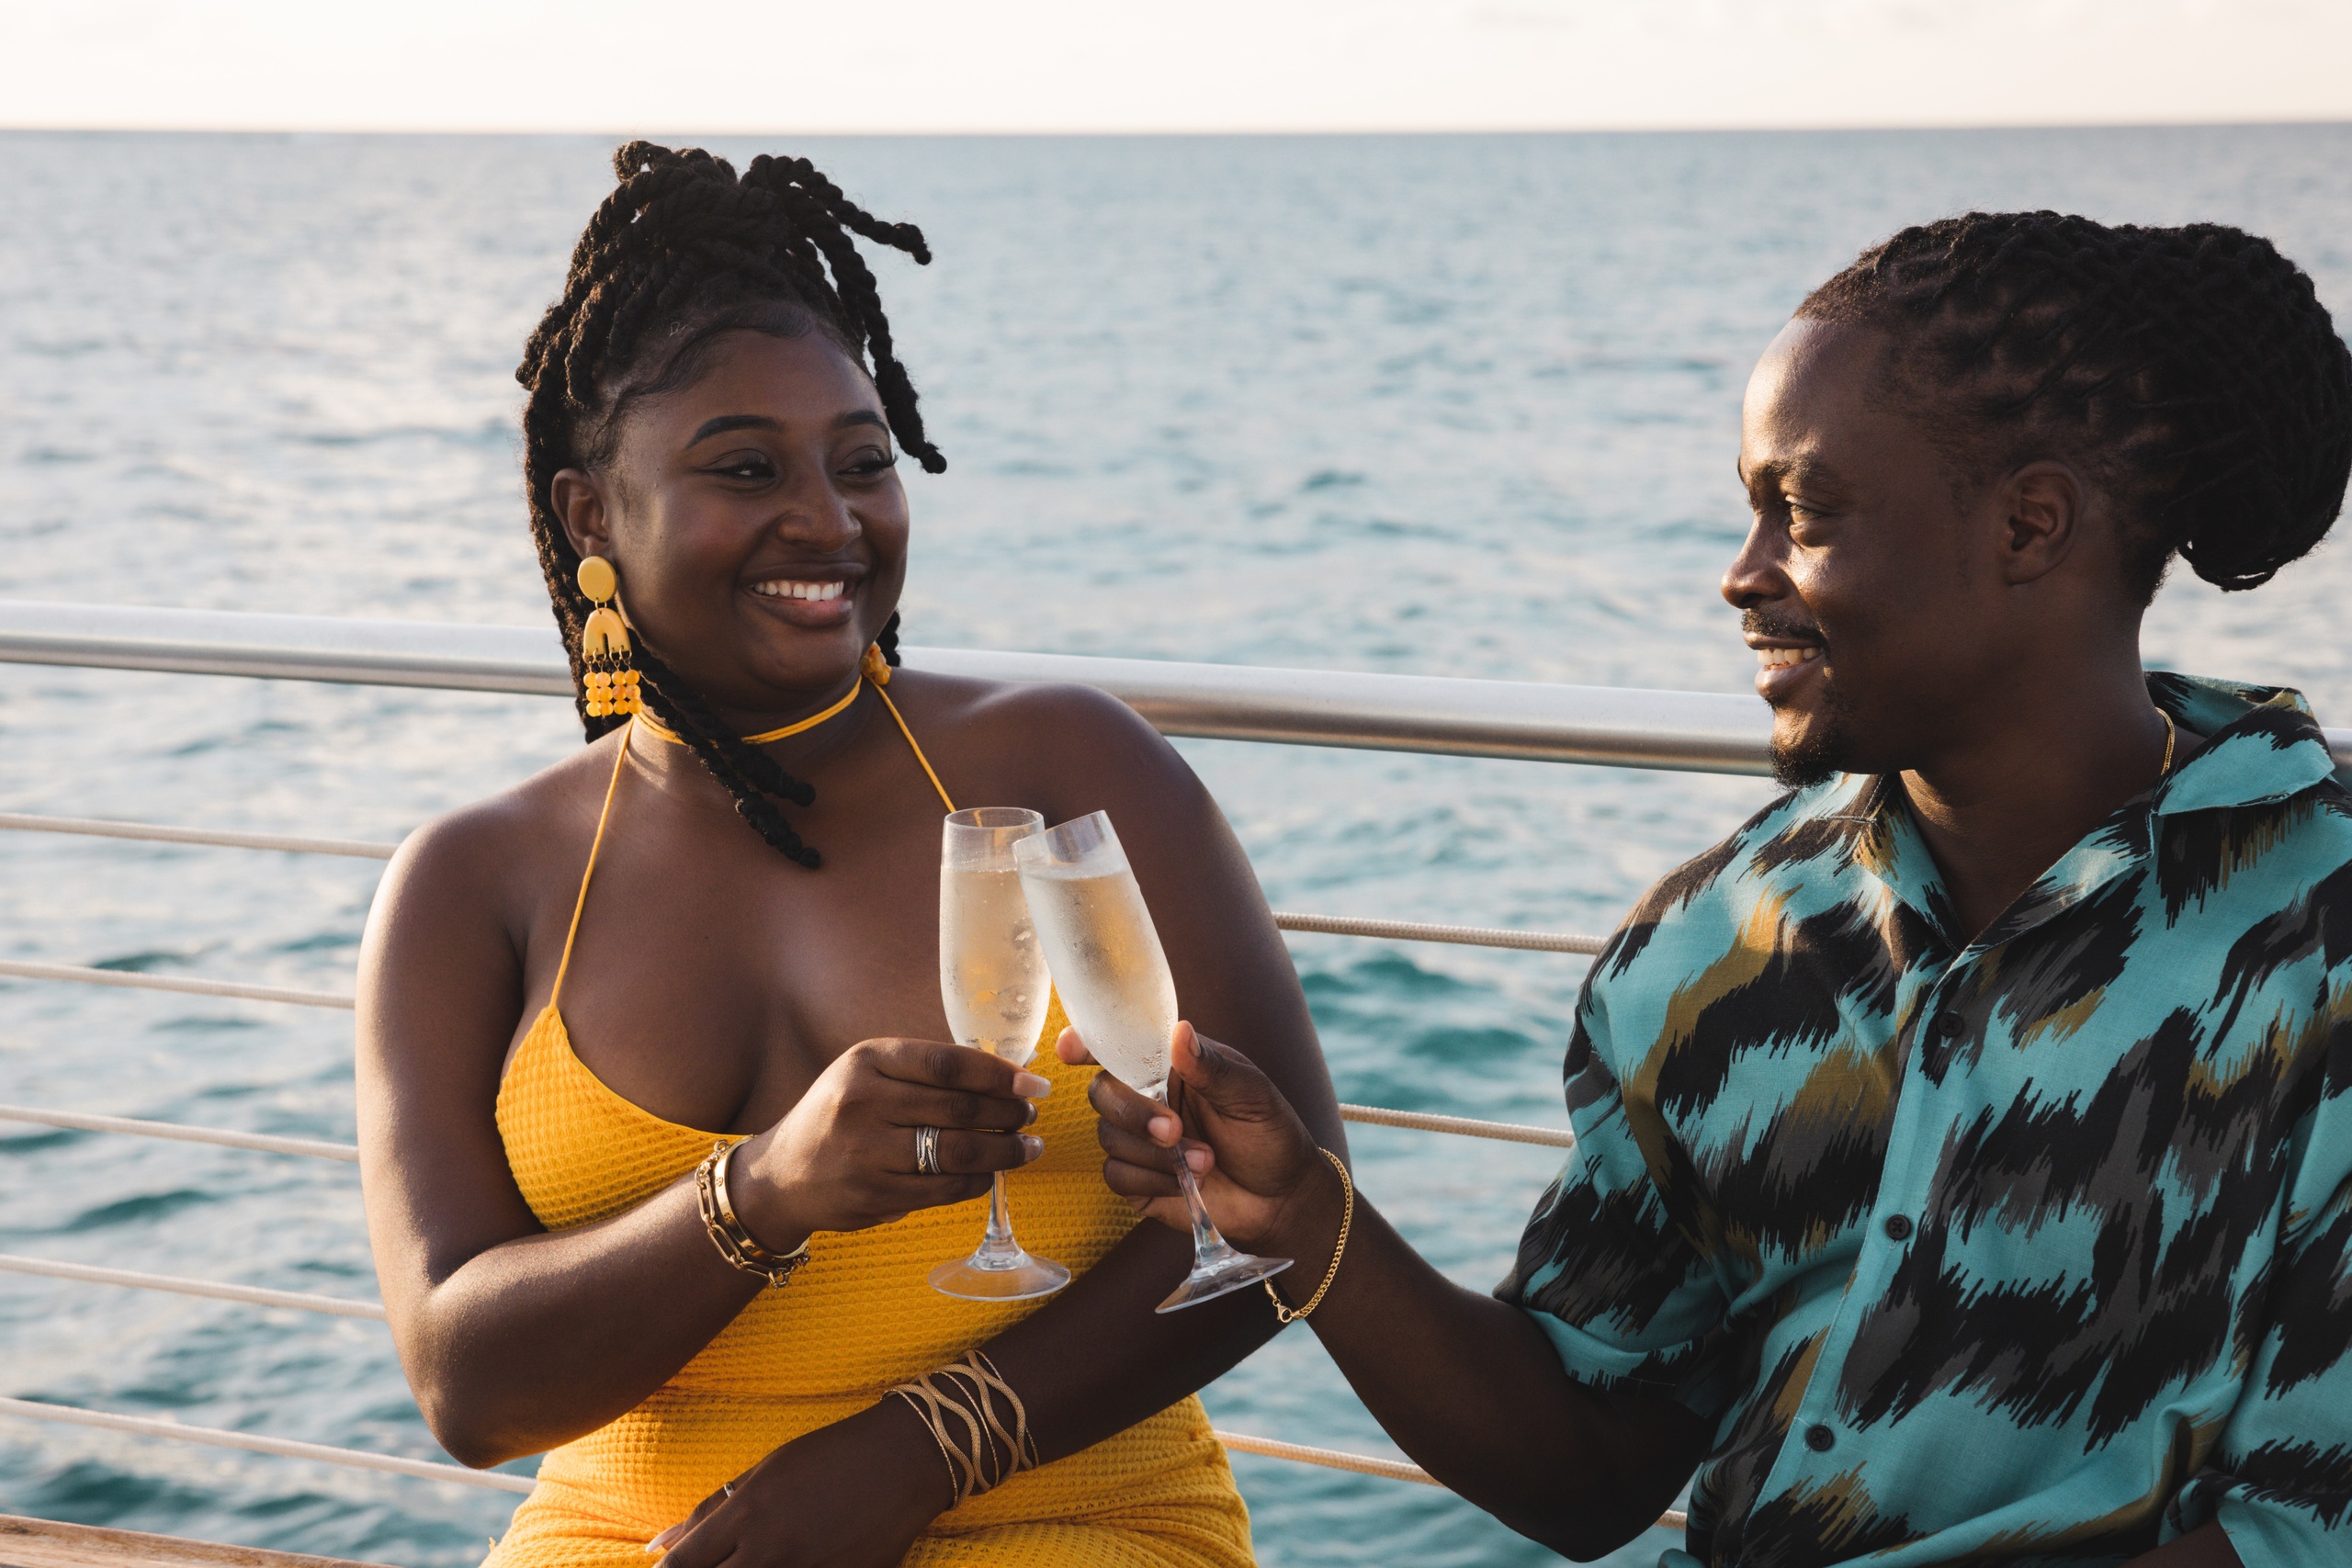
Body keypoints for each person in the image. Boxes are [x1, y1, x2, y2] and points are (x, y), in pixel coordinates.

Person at [1071, 211, 2352, 1567]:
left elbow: (2302, 1533)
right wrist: (1312, 1225)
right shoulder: (1712, 947)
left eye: (1801, 514)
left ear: (2031, 525)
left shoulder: (2314, 941)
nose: (1742, 577)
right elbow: (1586, 1470)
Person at [355, 142, 1342, 1568]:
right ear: (589, 516)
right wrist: (758, 1195)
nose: (828, 521)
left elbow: (1290, 1217)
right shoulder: (473, 882)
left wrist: (919, 1452)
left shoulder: (1066, 767)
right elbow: (466, 1384)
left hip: (1070, 1515)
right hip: (632, 1541)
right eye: (745, 468)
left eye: (863, 461)